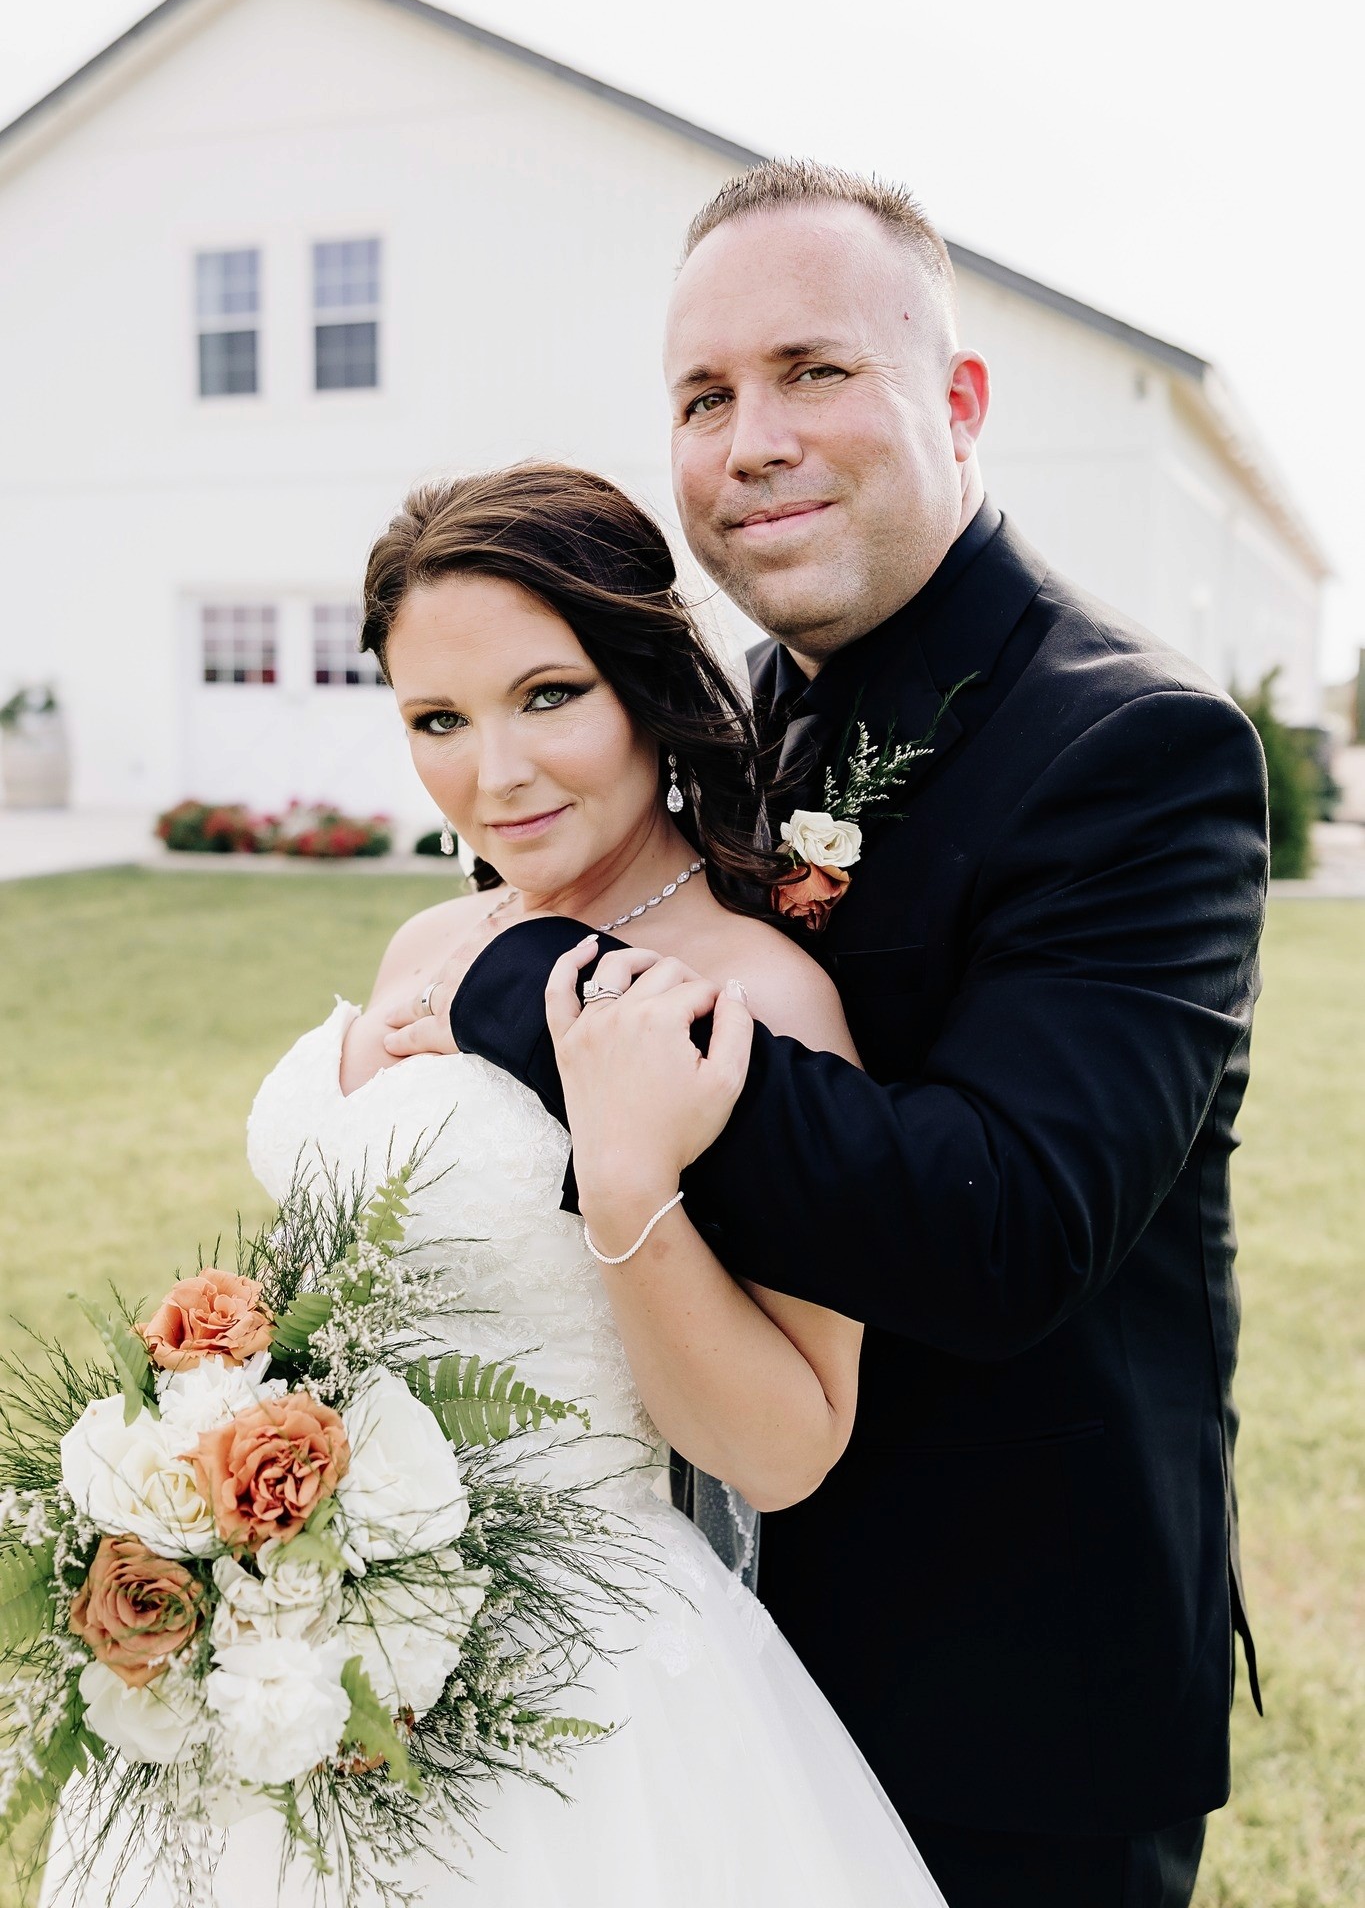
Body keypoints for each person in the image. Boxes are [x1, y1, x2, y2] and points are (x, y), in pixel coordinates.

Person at [388, 163, 1270, 1908]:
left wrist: (525, 992)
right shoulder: (734, 728)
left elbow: (1006, 1228)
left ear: (954, 401)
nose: (751, 438)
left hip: (1006, 1680)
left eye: (811, 371)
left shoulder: (1134, 749)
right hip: (694, 1652)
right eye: (704, 398)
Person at [42, 461, 947, 1906]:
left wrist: (626, 1171)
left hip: (577, 1682)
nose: (495, 776)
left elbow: (786, 1449)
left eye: (547, 697)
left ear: (646, 681)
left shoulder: (752, 998)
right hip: (300, 1640)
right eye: (436, 722)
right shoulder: (428, 942)